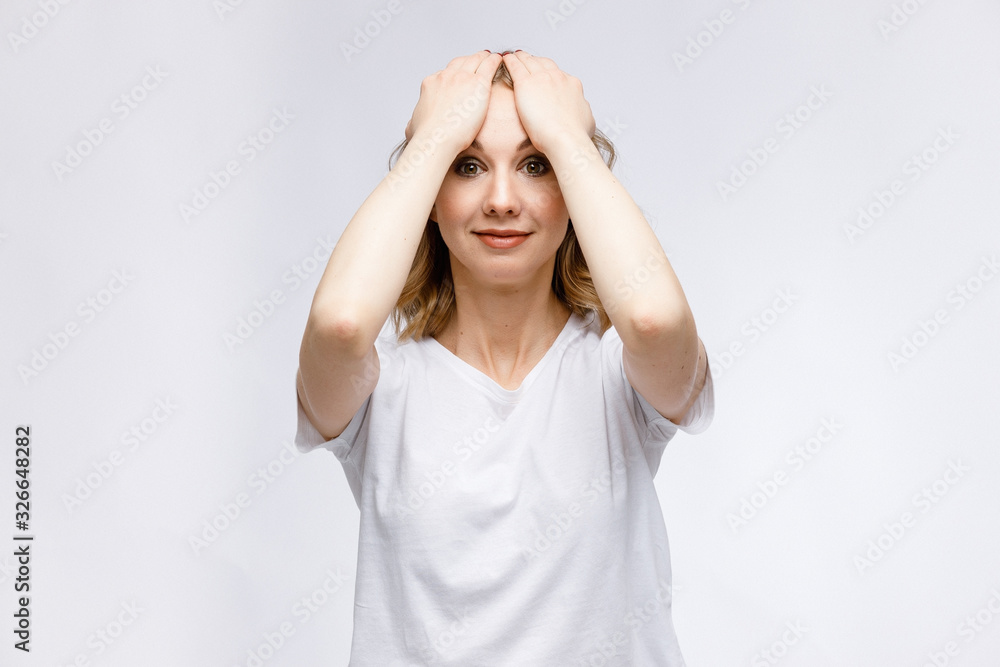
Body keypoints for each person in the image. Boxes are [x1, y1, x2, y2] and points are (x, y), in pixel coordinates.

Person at [294, 49, 714, 666]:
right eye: (466, 165)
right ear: (431, 195)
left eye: (535, 165)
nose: (500, 200)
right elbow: (340, 323)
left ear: (572, 192)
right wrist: (433, 136)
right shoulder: (382, 389)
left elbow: (655, 321)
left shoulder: (615, 378)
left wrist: (570, 139)